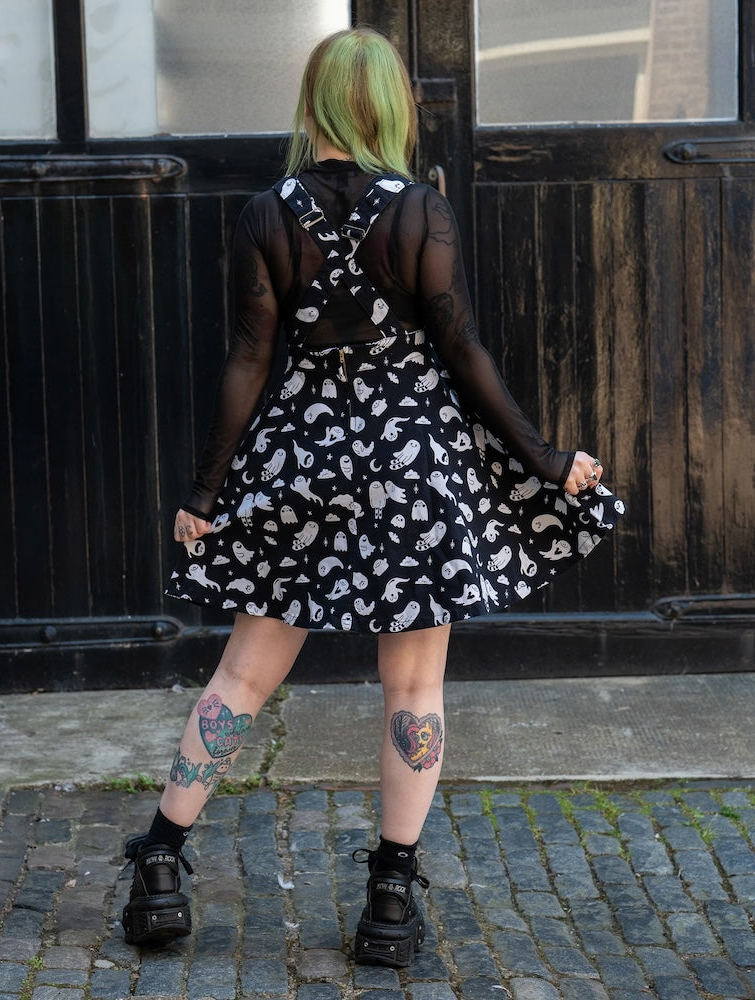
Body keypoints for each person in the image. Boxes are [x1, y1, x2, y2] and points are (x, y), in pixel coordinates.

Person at [121, 27, 624, 967]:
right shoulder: (421, 209)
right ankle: (389, 901)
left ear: (313, 102)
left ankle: (159, 863)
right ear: (390, 106)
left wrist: (205, 491)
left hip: (302, 453)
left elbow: (249, 358)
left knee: (242, 676)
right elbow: (462, 350)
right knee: (415, 686)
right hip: (412, 461)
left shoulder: (267, 213)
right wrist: (547, 460)